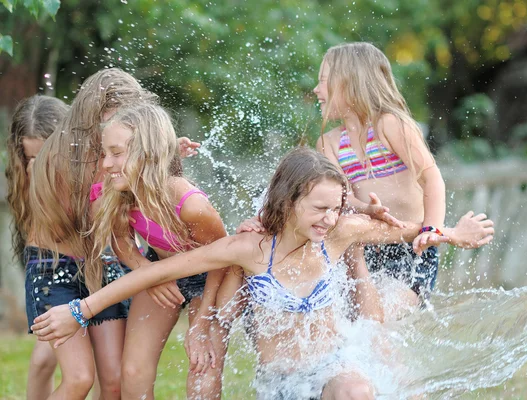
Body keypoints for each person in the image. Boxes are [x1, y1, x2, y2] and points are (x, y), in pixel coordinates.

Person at [32, 147, 494, 399]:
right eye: (319, 209)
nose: (329, 219)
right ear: (288, 201)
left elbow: (410, 230)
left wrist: (454, 233)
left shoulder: (338, 233)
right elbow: (161, 272)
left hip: (335, 367)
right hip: (283, 383)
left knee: (356, 391)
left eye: (336, 208)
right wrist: (82, 308)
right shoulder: (249, 249)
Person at [90, 102, 234, 399]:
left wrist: (202, 323)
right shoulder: (122, 194)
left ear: (148, 153)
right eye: (105, 154)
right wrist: (149, 273)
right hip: (159, 267)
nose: (105, 164)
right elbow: (121, 242)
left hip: (214, 275)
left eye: (116, 153)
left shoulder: (191, 206)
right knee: (133, 370)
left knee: (202, 366)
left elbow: (225, 258)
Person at [313, 42, 469, 304]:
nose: (316, 89)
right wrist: (366, 208)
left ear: (352, 83)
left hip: (412, 248)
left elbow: (431, 178)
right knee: (361, 322)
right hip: (365, 248)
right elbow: (341, 198)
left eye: (324, 81)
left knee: (387, 317)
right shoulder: (328, 143)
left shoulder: (390, 124)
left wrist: (432, 230)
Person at [6, 95, 67, 399]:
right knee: (44, 360)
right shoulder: (25, 179)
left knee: (98, 368)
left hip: (94, 264)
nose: (38, 166)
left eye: (45, 157)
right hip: (50, 268)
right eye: (30, 158)